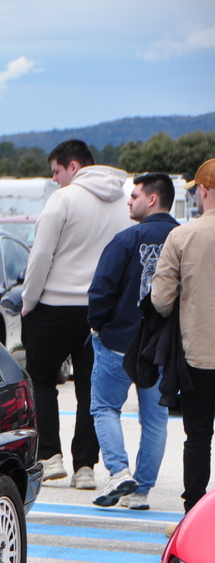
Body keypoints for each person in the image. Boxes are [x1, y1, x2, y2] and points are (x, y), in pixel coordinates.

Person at [21, 139, 130, 488]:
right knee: (90, 388)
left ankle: (50, 455)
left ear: (74, 166)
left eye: (56, 171)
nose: (54, 179)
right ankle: (85, 467)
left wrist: (29, 300)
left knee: (41, 379)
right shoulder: (123, 202)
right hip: (99, 310)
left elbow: (41, 256)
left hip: (54, 305)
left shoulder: (63, 199)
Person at [86, 173, 179, 510]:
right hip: (163, 345)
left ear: (152, 199)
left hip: (119, 340)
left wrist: (98, 325)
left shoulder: (127, 238)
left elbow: (101, 288)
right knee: (155, 420)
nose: (129, 200)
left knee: (105, 407)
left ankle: (119, 471)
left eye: (135, 195)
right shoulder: (184, 238)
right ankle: (141, 492)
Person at [151, 158, 215, 512]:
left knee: (199, 436)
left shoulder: (181, 236)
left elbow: (160, 301)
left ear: (202, 190)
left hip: (198, 353)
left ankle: (194, 514)